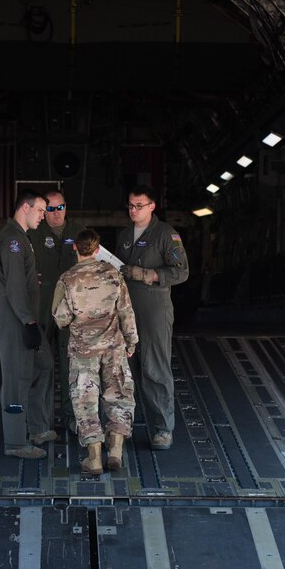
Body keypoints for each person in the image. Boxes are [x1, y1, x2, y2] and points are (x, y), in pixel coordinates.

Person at [52, 229, 138, 475]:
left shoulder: (67, 279)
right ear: (98, 249)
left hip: (83, 351)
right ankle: (115, 452)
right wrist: (131, 342)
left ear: (75, 249)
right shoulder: (113, 275)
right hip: (114, 347)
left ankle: (94, 459)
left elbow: (61, 319)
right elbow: (126, 312)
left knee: (85, 401)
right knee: (119, 396)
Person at [116, 185, 189, 450]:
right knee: (125, 370)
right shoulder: (125, 235)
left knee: (155, 369)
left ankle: (162, 429)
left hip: (154, 311)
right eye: (130, 206)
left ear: (152, 207)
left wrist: (148, 275)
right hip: (125, 311)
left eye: (139, 206)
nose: (133, 211)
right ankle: (121, 427)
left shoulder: (166, 235)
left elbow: (181, 272)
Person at [0, 189, 56, 459]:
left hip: (23, 314)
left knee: (44, 364)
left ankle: (38, 427)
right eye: (41, 210)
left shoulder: (21, 239)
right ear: (25, 208)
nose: (44, 216)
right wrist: (28, 321)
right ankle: (16, 443)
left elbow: (5, 281)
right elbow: (13, 286)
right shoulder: (13, 240)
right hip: (18, 318)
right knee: (16, 379)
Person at [26, 189, 86, 433]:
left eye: (60, 207)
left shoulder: (79, 231)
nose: (55, 213)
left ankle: (73, 417)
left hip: (71, 308)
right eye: (49, 209)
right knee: (41, 364)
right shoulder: (33, 230)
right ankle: (42, 421)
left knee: (72, 363)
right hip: (41, 307)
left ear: (66, 208)